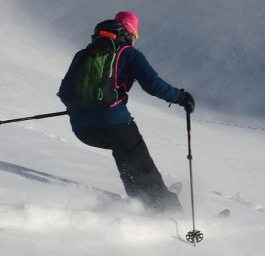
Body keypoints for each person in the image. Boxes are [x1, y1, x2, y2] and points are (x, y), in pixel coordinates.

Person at [58, 11, 195, 212]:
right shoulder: (128, 53)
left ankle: (140, 202)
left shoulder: (83, 54)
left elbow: (64, 93)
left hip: (82, 130)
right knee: (140, 161)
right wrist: (181, 98)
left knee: (123, 153)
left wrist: (80, 110)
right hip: (114, 123)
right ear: (130, 33)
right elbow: (153, 85)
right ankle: (169, 209)